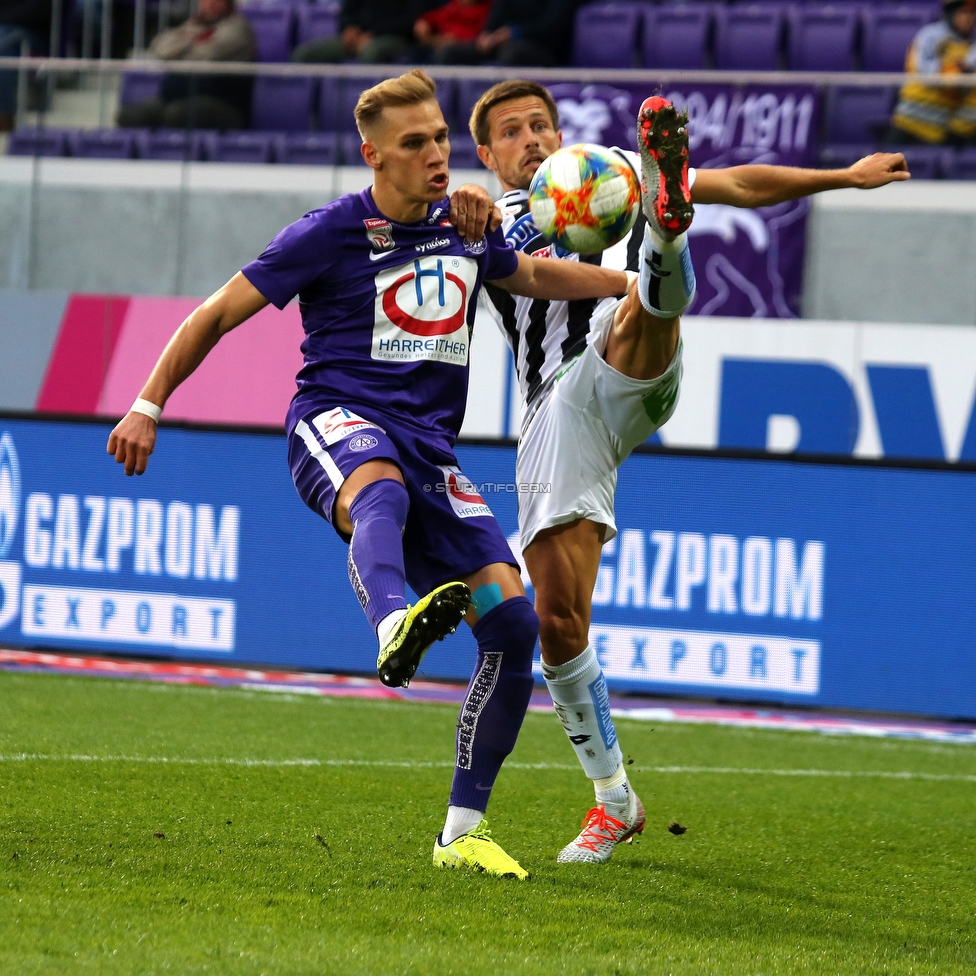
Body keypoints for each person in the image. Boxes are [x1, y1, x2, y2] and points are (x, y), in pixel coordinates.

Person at [107, 70, 630, 880]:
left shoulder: (469, 224)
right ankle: (391, 619)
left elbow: (528, 276)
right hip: (336, 420)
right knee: (376, 489)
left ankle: (461, 831)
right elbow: (215, 312)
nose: (435, 155)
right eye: (415, 143)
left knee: (514, 621)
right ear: (373, 155)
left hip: (434, 452)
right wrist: (146, 401)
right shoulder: (328, 232)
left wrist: (628, 285)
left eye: (441, 140)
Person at [467, 79, 911, 863]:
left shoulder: (607, 171)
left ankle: (666, 239)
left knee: (642, 302)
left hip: (625, 352)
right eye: (511, 131)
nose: (531, 139)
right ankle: (615, 801)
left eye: (540, 124)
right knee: (559, 624)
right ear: (487, 153)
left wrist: (843, 177)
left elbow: (744, 183)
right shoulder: (484, 219)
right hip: (554, 412)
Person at [116, 0, 255, 131]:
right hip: (179, 97)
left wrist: (181, 46)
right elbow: (160, 48)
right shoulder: (194, 25)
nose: (209, 3)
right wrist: (193, 40)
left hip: (223, 103)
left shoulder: (238, 29)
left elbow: (204, 56)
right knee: (130, 116)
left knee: (175, 114)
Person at [890, 0, 976, 145]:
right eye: (964, 12)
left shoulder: (972, 45)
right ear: (950, 14)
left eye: (972, 13)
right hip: (910, 120)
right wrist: (956, 72)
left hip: (941, 129)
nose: (969, 18)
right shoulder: (930, 35)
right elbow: (926, 72)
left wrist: (963, 73)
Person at [436, 0, 578, 67]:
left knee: (511, 53)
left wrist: (514, 33)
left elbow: (552, 26)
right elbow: (496, 14)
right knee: (448, 53)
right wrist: (486, 34)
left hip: (543, 48)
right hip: (500, 43)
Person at [292, 0, 433, 64]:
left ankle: (367, 112)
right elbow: (347, 11)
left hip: (395, 38)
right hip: (357, 38)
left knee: (370, 53)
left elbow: (413, 18)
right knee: (304, 54)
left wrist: (374, 34)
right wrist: (348, 28)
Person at [0, 0, 49, 132]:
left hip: (32, 34)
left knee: (2, 41)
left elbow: (39, 11)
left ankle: (4, 120)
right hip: (7, 28)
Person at [413, 0, 491, 64]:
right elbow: (438, 16)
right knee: (416, 52)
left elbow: (480, 34)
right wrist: (424, 21)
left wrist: (455, 38)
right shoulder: (454, 6)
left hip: (467, 46)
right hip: (441, 41)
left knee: (443, 54)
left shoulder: (485, 9)